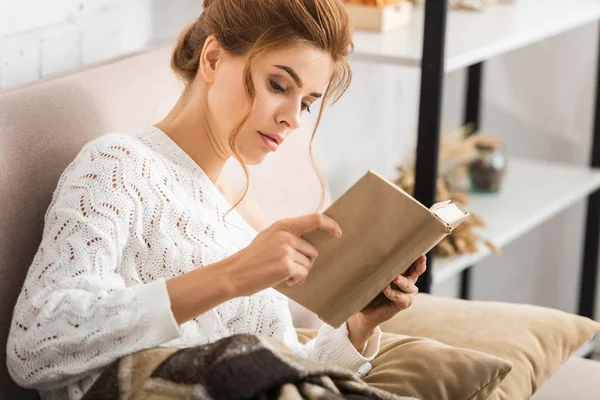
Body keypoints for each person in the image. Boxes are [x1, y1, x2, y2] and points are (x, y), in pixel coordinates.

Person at [6, 0, 426, 399]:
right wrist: (232, 275)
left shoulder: (241, 207)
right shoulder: (119, 164)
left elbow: (275, 370)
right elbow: (34, 344)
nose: (293, 119)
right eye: (278, 85)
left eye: (308, 103)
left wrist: (357, 326)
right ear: (212, 58)